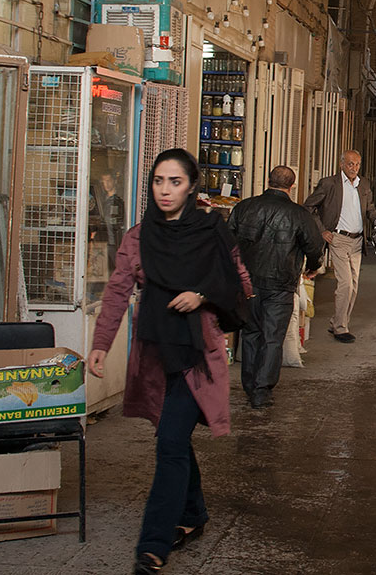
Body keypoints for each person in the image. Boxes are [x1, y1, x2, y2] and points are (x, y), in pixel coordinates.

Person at [87, 149, 252, 575]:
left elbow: (241, 284)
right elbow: (117, 291)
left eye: (175, 182)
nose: (165, 190)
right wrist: (101, 343)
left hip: (198, 356)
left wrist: (202, 294)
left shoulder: (212, 231)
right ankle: (193, 513)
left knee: (170, 445)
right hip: (155, 354)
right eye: (159, 181)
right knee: (173, 439)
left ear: (192, 186)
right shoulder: (139, 237)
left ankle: (152, 546)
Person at [227, 165, 325, 408]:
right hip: (281, 284)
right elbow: (314, 246)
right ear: (292, 185)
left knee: (251, 333)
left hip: (248, 282)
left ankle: (250, 385)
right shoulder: (299, 214)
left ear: (268, 180)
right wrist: (313, 267)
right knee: (272, 337)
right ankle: (262, 390)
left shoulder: (244, 207)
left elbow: (227, 242)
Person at [303, 150, 376, 343]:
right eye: (350, 164)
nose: (354, 168)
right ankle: (341, 328)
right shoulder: (329, 184)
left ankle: (337, 321)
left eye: (357, 164)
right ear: (341, 164)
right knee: (345, 284)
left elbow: (370, 208)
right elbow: (309, 206)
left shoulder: (364, 184)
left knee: (354, 286)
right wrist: (322, 230)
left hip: (357, 241)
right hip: (338, 239)